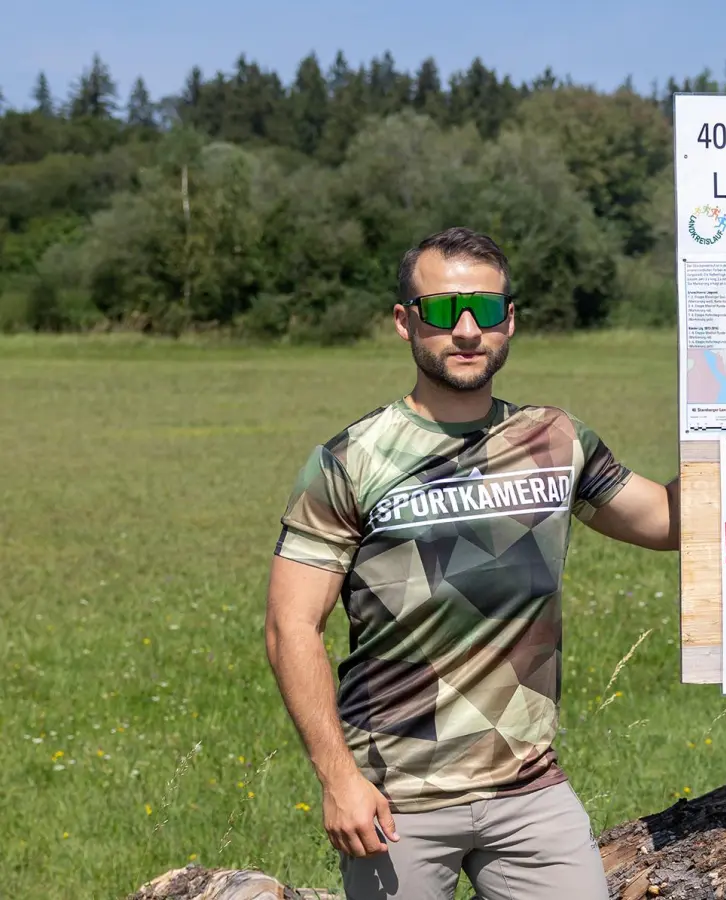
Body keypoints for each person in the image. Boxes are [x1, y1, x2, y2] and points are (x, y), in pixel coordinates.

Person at [263, 227, 679, 900]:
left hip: (529, 791)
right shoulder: (350, 460)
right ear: (405, 321)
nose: (464, 330)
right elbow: (290, 627)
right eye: (440, 310)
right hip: (395, 803)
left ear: (508, 319)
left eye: (485, 311)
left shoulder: (556, 440)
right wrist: (338, 779)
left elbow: (666, 521)